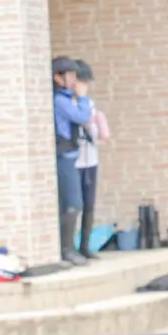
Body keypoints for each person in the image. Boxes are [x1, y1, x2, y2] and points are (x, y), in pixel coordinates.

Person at [51, 56, 93, 267]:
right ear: (58, 79)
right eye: (70, 76)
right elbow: (83, 117)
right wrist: (83, 98)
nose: (74, 80)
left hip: (70, 156)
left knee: (71, 203)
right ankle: (66, 249)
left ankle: (69, 248)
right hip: (63, 158)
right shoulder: (60, 100)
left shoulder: (67, 98)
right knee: (73, 204)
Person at [74, 59, 110, 261]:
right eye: (82, 81)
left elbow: (97, 134)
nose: (84, 86)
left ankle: (85, 245)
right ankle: (70, 246)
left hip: (90, 158)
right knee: (74, 204)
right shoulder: (71, 103)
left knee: (89, 203)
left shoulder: (89, 105)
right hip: (75, 159)